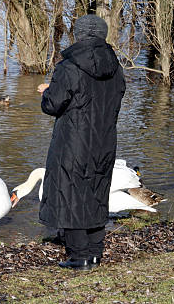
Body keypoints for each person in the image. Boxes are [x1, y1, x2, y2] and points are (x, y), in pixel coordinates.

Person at [37, 14, 125, 270]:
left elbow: (53, 105)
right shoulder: (115, 67)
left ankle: (79, 256)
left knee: (70, 193)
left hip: (73, 141)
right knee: (97, 191)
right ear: (102, 35)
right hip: (105, 140)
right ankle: (95, 253)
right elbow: (114, 99)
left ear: (79, 34)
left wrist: (47, 91)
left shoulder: (69, 66)